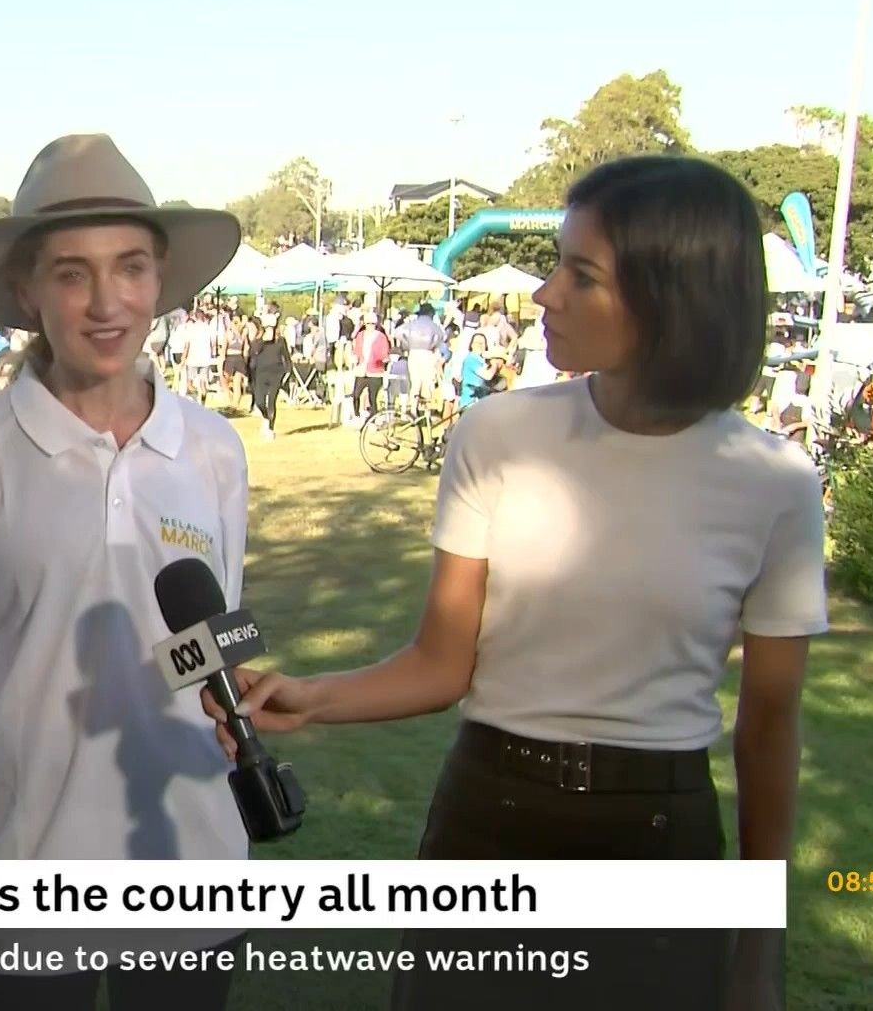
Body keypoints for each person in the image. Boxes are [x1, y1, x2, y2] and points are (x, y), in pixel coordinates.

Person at [201, 155, 825, 1009]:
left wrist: (759, 937)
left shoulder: (775, 484)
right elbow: (442, 663)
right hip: (488, 815)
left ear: (670, 297)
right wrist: (308, 698)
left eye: (581, 275)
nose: (543, 295)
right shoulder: (497, 435)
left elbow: (770, 726)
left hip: (656, 837)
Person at [0, 134, 250, 1009]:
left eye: (130, 267)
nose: (106, 302)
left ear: (160, 282)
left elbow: (214, 644)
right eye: (71, 273)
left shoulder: (212, 449)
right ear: (27, 291)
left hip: (191, 861)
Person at [247, 317, 291, 440]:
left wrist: (287, 372)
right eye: (267, 329)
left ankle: (271, 428)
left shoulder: (280, 341)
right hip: (261, 374)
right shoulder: (259, 341)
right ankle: (266, 417)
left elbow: (286, 357)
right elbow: (253, 353)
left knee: (271, 401)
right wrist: (262, 341)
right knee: (260, 401)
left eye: (271, 328)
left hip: (276, 374)